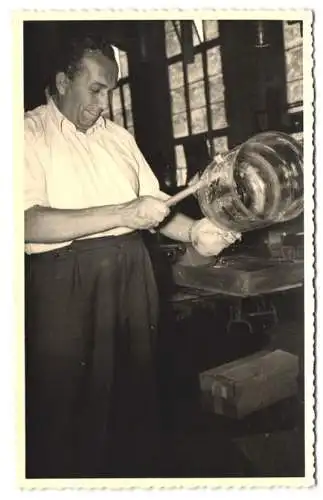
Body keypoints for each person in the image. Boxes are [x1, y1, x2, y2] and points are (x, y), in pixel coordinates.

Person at [24, 32, 240, 478]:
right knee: (68, 408)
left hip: (132, 273)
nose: (103, 103)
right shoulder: (26, 133)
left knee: (136, 401)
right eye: (96, 89)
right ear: (63, 80)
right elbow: (27, 222)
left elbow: (155, 210)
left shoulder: (118, 138)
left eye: (111, 91)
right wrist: (126, 211)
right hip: (65, 284)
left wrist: (196, 232)